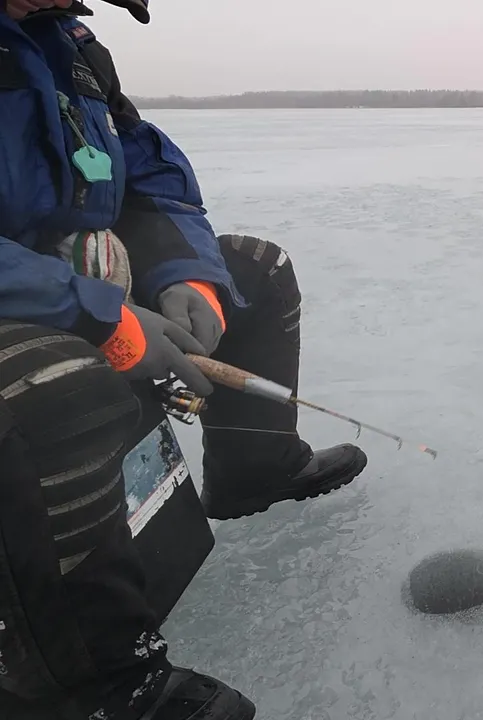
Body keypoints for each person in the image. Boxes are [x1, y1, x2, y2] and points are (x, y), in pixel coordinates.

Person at [0, 0, 368, 718]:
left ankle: (254, 471)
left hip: (72, 280)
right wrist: (86, 310)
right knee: (54, 384)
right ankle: (98, 688)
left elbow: (150, 179)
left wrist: (186, 277)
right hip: (34, 300)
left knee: (256, 273)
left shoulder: (72, 48)